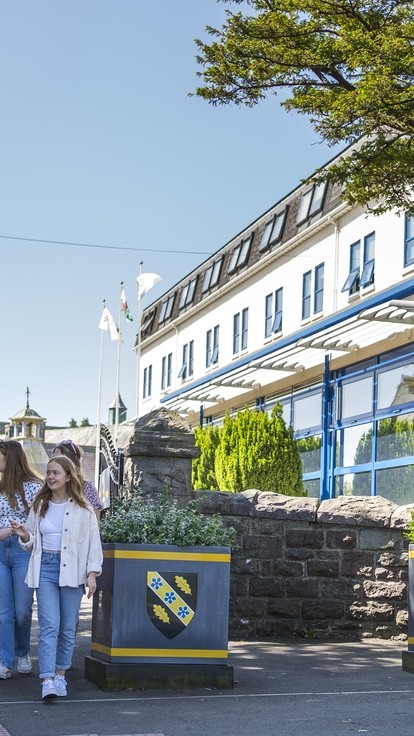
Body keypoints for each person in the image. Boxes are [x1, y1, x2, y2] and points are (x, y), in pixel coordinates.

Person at [11, 455, 103, 700]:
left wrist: (92, 573)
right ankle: (48, 679)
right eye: (49, 472)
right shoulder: (40, 505)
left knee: (66, 627)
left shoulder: (83, 507)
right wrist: (23, 535)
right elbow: (31, 542)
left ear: (68, 477)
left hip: (72, 570)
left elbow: (94, 544)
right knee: (49, 626)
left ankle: (61, 676)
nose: (50, 477)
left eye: (56, 473)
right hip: (46, 569)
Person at [0, 439, 43, 679]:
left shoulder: (34, 487)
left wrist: (19, 531)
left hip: (22, 549)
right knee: (3, 611)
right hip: (0, 549)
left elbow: (38, 523)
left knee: (23, 608)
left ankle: (22, 652)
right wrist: (5, 531)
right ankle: (5, 659)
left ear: (10, 458)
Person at [52, 440, 103, 520]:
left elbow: (95, 523)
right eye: (53, 458)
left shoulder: (87, 488)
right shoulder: (50, 488)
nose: (54, 463)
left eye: (59, 459)